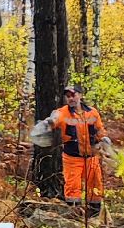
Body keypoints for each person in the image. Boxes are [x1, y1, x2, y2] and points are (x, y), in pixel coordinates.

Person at [47, 84, 109, 214]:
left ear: (80, 95)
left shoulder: (92, 112)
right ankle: (74, 214)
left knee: (96, 184)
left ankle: (94, 214)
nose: (71, 98)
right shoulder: (62, 113)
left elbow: (99, 129)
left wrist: (103, 138)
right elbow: (52, 121)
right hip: (72, 158)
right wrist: (46, 125)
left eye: (73, 95)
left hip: (92, 157)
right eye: (68, 96)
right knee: (72, 186)